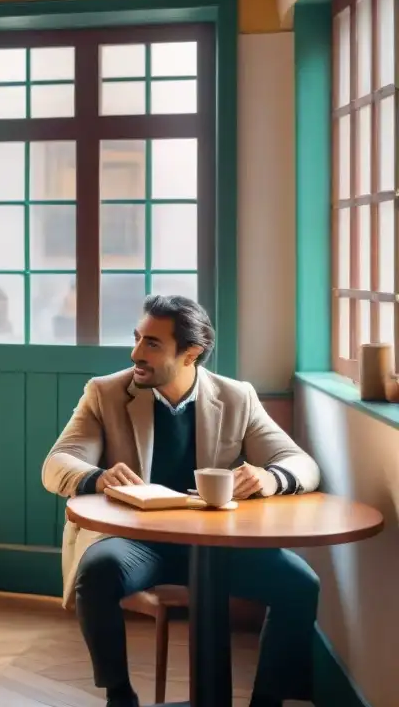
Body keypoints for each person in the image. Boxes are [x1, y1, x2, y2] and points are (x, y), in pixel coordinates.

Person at [41, 294, 322, 707]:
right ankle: (120, 695)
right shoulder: (105, 393)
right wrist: (98, 477)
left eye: (152, 343)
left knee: (300, 584)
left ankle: (268, 700)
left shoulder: (236, 397)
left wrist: (270, 477)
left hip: (215, 544)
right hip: (137, 542)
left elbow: (301, 463)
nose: (136, 352)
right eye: (137, 338)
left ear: (192, 353)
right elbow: (56, 463)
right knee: (97, 572)